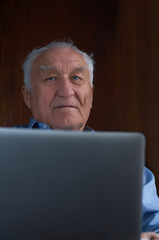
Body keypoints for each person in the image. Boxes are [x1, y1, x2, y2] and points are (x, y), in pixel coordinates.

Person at [16, 40, 159, 239]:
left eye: (76, 77)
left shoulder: (130, 170)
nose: (66, 91)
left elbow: (155, 231)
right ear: (27, 95)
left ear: (90, 95)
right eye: (50, 78)